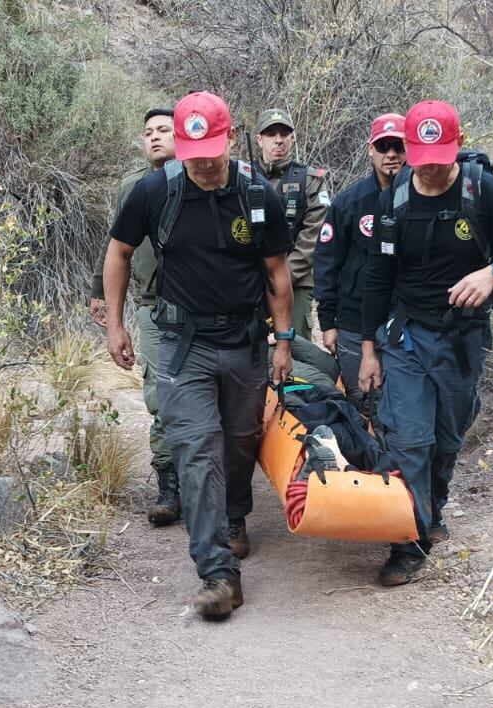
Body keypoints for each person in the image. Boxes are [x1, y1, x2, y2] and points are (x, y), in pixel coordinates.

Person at [103, 91, 296, 620]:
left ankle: (235, 516)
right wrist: (116, 324)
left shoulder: (259, 195)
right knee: (194, 448)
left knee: (239, 442)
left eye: (212, 148)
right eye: (194, 151)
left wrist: (283, 341)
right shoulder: (154, 191)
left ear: (230, 139)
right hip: (181, 344)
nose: (204, 161)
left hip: (244, 342)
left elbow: (279, 275)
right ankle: (217, 574)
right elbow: (119, 253)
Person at [357, 100, 493, 586]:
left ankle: (433, 506)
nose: (429, 170)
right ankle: (408, 544)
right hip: (407, 335)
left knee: (447, 440)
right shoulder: (395, 200)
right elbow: (377, 278)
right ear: (408, 151)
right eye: (421, 159)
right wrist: (368, 348)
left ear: (458, 146)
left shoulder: (482, 191)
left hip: (464, 338)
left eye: (440, 159)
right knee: (410, 440)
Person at [87, 108, 182, 527]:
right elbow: (116, 245)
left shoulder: (202, 178)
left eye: (164, 130)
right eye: (148, 133)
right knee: (161, 397)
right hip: (152, 306)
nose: (155, 138)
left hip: (203, 310)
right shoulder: (134, 186)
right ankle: (170, 486)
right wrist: (101, 296)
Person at [315, 112, 406, 408]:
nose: (391, 154)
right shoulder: (349, 203)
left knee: (400, 408)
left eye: (398, 147)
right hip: (353, 321)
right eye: (383, 147)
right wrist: (327, 322)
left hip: (407, 321)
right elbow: (327, 263)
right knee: (363, 402)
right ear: (371, 149)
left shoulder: (424, 198)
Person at [256, 108, 331, 341]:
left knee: (296, 352)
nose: (278, 140)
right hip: (250, 282)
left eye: (284, 134)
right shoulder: (243, 176)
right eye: (271, 134)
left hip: (295, 282)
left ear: (292, 137)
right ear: (259, 139)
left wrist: (282, 277)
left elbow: (313, 236)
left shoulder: (310, 179)